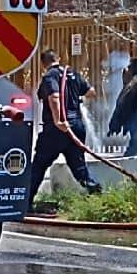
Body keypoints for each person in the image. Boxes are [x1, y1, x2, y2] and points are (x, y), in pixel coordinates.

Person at [29, 49, 103, 210]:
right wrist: (75, 99)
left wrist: (58, 121)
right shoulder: (73, 74)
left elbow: (54, 97)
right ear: (58, 58)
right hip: (76, 126)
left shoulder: (50, 76)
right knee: (79, 167)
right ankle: (98, 195)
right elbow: (91, 92)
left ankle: (26, 202)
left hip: (56, 130)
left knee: (39, 165)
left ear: (43, 64)